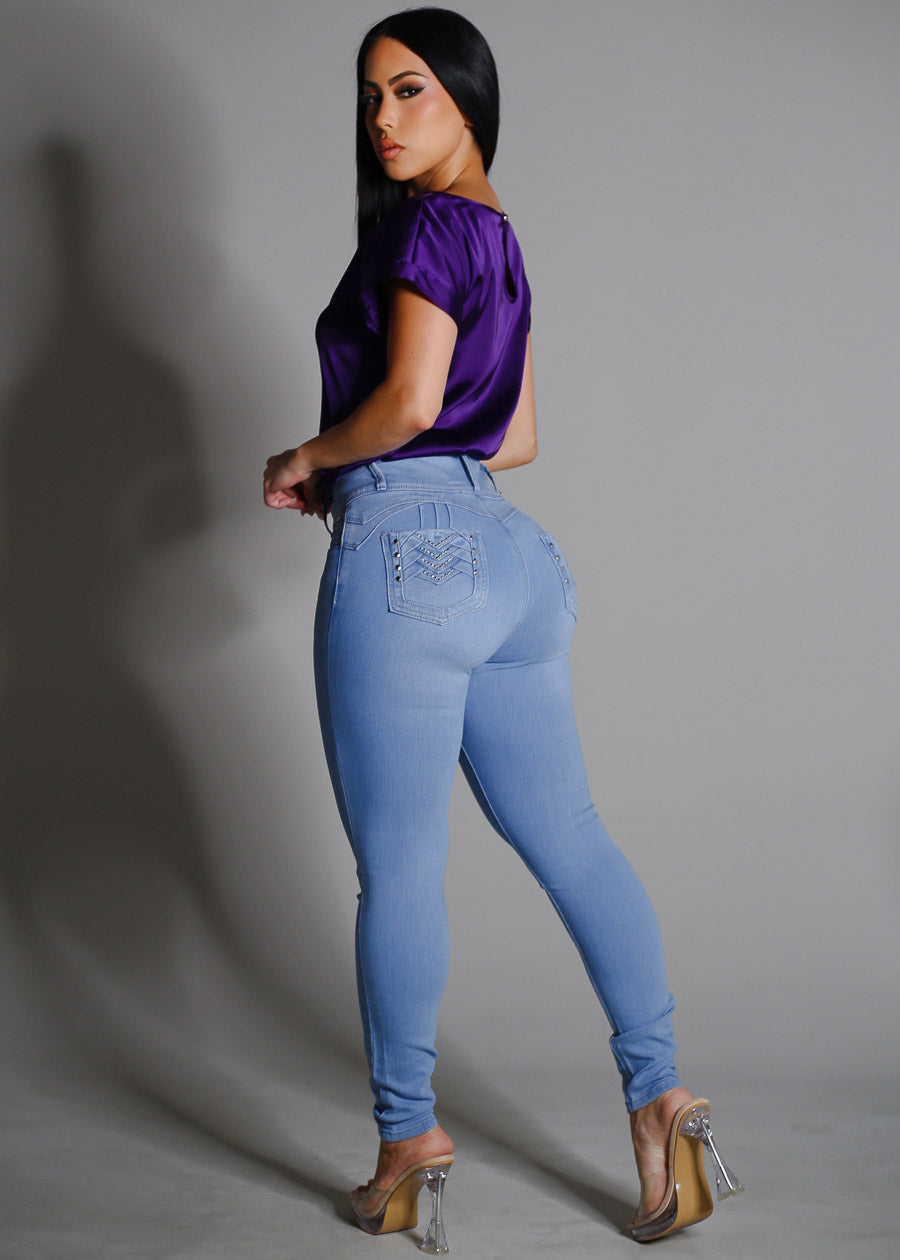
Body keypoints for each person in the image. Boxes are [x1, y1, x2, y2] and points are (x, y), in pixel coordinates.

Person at [264, 8, 743, 1251]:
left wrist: (312, 456)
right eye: (370, 96)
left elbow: (412, 401)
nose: (382, 119)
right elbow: (514, 437)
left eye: (409, 90)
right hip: (512, 559)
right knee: (573, 838)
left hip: (408, 551)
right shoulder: (499, 234)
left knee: (399, 870)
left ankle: (406, 1144)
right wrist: (385, 457)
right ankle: (662, 1102)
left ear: (468, 98)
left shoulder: (429, 226)